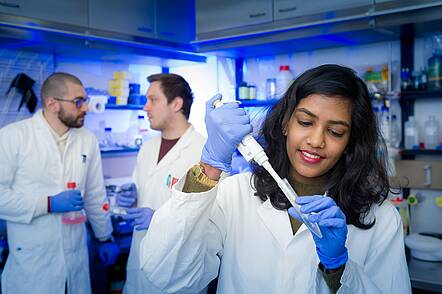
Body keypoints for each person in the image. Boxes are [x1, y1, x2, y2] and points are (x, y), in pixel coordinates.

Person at [138, 64, 412, 293]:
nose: (316, 141)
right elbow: (167, 275)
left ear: (351, 142)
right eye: (305, 122)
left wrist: (338, 267)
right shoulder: (236, 195)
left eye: (336, 132)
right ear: (285, 124)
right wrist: (209, 165)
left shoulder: (380, 218)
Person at [0, 72, 120, 294]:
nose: (85, 108)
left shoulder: (87, 139)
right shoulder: (13, 137)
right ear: (52, 104)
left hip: (76, 260)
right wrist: (48, 204)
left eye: (85, 101)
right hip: (32, 267)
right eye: (78, 102)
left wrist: (105, 237)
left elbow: (94, 194)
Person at [117, 73, 206, 293]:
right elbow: (143, 196)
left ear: (176, 103)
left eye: (153, 100)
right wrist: (128, 198)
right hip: (140, 261)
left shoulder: (204, 153)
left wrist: (157, 218)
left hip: (176, 271)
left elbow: (210, 218)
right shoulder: (147, 147)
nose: (146, 107)